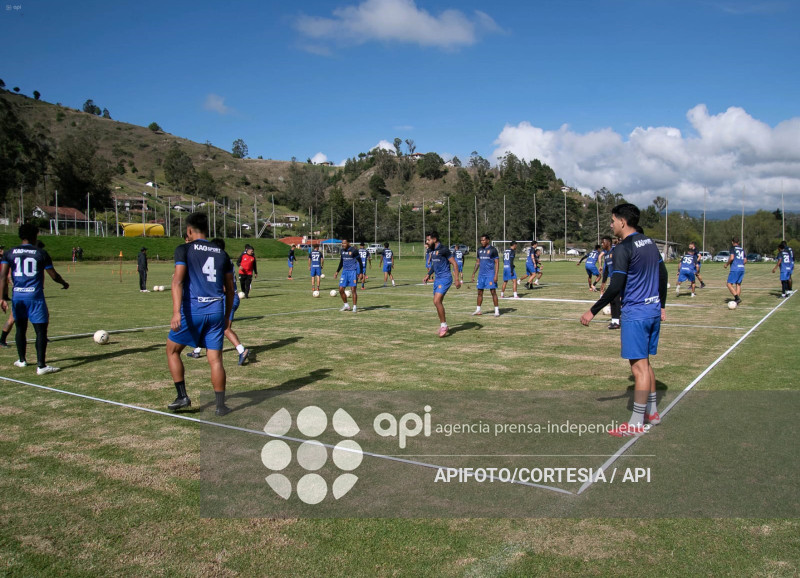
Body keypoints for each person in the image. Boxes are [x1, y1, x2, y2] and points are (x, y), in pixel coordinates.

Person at [580, 203, 667, 437]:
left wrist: (593, 310)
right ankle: (653, 413)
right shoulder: (649, 243)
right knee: (645, 364)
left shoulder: (622, 248)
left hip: (636, 314)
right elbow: (664, 274)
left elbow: (616, 286)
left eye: (612, 220)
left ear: (622, 221)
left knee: (638, 368)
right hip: (651, 311)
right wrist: (663, 306)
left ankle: (636, 422)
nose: (611, 224)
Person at [166, 212, 235, 416]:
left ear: (189, 230)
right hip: (216, 310)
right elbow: (230, 289)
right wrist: (227, 317)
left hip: (193, 309)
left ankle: (182, 396)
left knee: (172, 350)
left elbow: (177, 281)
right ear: (207, 230)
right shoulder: (221, 253)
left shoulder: (184, 249)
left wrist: (176, 312)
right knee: (215, 360)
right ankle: (220, 406)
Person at [0, 223, 69, 375]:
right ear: (35, 235)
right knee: (41, 331)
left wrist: (1, 298)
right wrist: (64, 283)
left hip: (18, 296)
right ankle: (41, 365)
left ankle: (22, 360)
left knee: (20, 329)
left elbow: (3, 276)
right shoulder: (40, 253)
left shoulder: (9, 253)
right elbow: (53, 275)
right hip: (35, 297)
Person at [186, 238, 250, 365]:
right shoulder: (224, 260)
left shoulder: (220, 261)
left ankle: (241, 350)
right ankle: (197, 350)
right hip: (230, 297)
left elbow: (225, 287)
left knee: (224, 328)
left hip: (227, 298)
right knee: (211, 325)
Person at [423, 231, 461, 337]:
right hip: (438, 279)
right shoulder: (432, 250)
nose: (427, 242)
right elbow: (435, 265)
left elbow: (454, 264)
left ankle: (444, 326)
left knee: (436, 301)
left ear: (434, 239)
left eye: (428, 240)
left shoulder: (444, 249)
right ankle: (443, 325)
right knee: (437, 302)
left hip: (445, 278)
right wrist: (428, 274)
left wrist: (457, 279)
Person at [470, 234, 500, 317]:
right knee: (479, 292)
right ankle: (478, 310)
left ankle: (496, 310)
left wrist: (496, 275)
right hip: (481, 275)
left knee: (493, 292)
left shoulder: (493, 250)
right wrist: (474, 273)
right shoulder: (479, 250)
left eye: (483, 240)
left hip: (490, 275)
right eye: (481, 240)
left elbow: (497, 263)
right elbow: (477, 262)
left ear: (488, 240)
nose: (482, 242)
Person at [334, 238, 363, 313]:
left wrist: (361, 273)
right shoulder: (342, 251)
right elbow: (341, 262)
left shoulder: (354, 250)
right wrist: (337, 271)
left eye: (344, 243)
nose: (343, 245)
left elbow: (360, 262)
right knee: (340, 289)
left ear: (348, 243)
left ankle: (354, 307)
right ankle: (346, 305)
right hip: (344, 272)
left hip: (352, 272)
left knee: (353, 289)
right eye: (342, 243)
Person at [724, 237, 746, 304]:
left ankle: (737, 298)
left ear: (732, 242)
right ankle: (737, 301)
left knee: (729, 284)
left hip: (735, 268)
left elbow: (732, 257)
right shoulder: (742, 249)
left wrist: (726, 264)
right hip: (742, 268)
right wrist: (741, 264)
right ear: (738, 242)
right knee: (738, 284)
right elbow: (745, 260)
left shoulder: (732, 248)